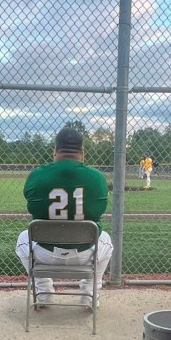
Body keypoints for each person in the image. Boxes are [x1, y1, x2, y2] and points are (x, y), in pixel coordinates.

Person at [15, 127, 113, 309]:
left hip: (45, 253)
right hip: (85, 254)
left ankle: (44, 293)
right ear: (82, 151)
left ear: (55, 149)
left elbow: (32, 206)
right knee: (106, 240)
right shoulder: (97, 177)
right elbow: (98, 213)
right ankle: (89, 295)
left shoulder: (37, 175)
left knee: (23, 238)